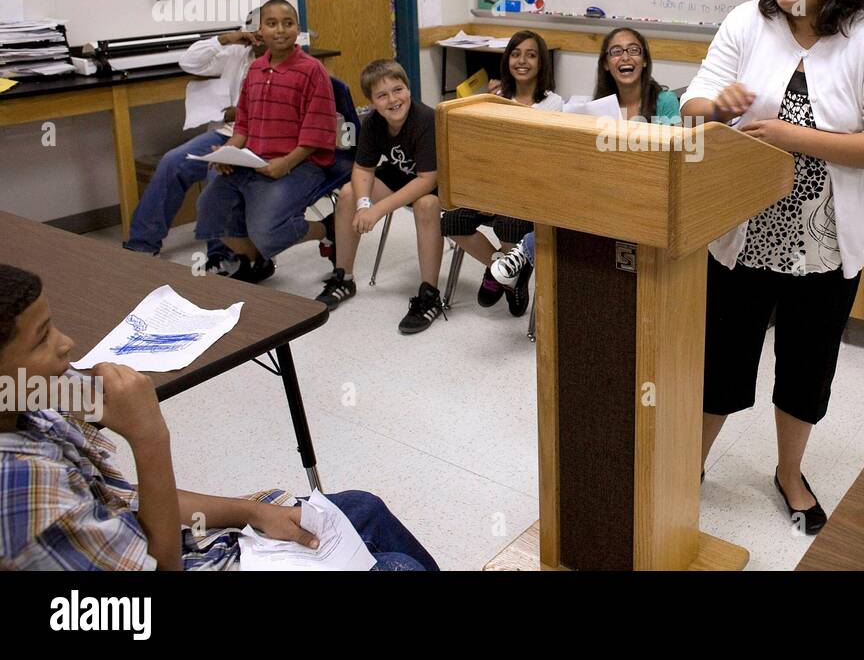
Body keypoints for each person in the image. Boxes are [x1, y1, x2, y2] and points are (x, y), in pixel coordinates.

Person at [680, 0, 864, 534]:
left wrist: (793, 137)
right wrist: (712, 102)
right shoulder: (746, 22)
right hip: (742, 230)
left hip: (827, 241)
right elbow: (694, 99)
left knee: (807, 368)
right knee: (721, 360)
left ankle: (789, 473)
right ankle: (690, 465)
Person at [0, 264, 437, 570]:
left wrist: (248, 512)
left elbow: (123, 500)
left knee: (363, 508)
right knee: (395, 566)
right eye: (42, 339)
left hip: (183, 541)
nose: (67, 343)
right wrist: (150, 437)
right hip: (170, 561)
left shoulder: (25, 403)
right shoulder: (26, 500)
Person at [193, 0, 336, 283]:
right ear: (260, 31)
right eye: (271, 24)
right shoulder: (256, 70)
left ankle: (327, 229)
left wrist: (286, 163)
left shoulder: (312, 70)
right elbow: (243, 125)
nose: (280, 30)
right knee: (211, 210)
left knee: (266, 229)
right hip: (254, 161)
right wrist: (228, 151)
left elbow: (317, 130)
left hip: (301, 162)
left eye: (288, 23)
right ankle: (257, 261)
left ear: (298, 28)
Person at [315, 59, 446, 335]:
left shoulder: (425, 119)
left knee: (426, 204)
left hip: (434, 183)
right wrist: (364, 205)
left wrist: (377, 210)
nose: (393, 100)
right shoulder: (373, 123)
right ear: (372, 102)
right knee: (350, 193)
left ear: (409, 90)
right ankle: (344, 278)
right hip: (401, 174)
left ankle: (429, 294)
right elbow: (363, 168)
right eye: (382, 95)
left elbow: (427, 180)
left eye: (398, 90)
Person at [122, 16, 262, 270]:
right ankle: (142, 244)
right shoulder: (238, 53)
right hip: (226, 133)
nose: (269, 31)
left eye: (281, 24)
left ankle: (223, 254)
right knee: (173, 162)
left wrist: (237, 114)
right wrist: (225, 39)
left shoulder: (290, 63)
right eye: (264, 25)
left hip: (262, 137)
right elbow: (189, 61)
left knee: (216, 171)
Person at [442, 31, 562, 317]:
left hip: (529, 194)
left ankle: (504, 273)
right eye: (516, 54)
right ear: (507, 59)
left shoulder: (553, 103)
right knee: (451, 221)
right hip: (490, 189)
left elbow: (538, 160)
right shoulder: (494, 98)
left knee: (508, 224)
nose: (522, 61)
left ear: (542, 62)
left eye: (531, 55)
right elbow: (482, 153)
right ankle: (505, 273)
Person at [593, 27, 681, 124]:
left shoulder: (665, 101)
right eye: (616, 51)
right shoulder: (599, 106)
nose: (625, 57)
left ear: (644, 60)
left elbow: (673, 139)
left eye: (633, 50)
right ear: (606, 63)